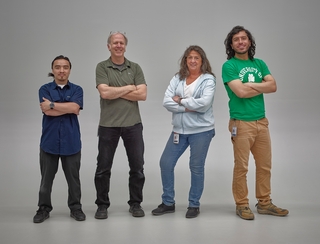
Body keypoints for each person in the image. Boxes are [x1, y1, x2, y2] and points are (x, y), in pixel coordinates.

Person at [221, 26, 289, 220]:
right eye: (236, 39)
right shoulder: (229, 66)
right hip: (241, 124)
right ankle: (242, 204)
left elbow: (273, 86)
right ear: (231, 44)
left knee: (265, 165)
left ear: (249, 42)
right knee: (241, 166)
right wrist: (262, 86)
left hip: (262, 122)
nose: (241, 42)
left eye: (244, 38)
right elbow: (240, 93)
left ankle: (264, 203)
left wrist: (249, 85)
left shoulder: (260, 63)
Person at [152, 45, 216, 218]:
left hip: (202, 131)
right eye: (189, 57)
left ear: (202, 60)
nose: (193, 60)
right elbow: (166, 102)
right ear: (185, 60)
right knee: (165, 163)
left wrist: (179, 100)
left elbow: (204, 104)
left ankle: (194, 205)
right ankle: (168, 202)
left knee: (196, 167)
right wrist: (188, 106)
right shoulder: (177, 78)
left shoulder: (208, 79)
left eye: (196, 57)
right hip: (179, 130)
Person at [94, 31, 147, 219]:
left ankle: (135, 204)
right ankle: (102, 205)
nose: (118, 45)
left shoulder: (135, 67)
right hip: (108, 125)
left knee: (137, 167)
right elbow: (104, 94)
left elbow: (142, 95)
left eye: (121, 43)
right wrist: (129, 87)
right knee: (103, 168)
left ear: (125, 46)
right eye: (114, 43)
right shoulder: (102, 67)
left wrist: (114, 90)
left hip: (133, 125)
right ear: (108, 46)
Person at [33, 55, 86, 223]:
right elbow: (46, 111)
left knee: (74, 180)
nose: (61, 70)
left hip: (71, 142)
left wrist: (53, 104)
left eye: (65, 67)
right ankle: (43, 208)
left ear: (69, 70)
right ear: (53, 70)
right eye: (57, 67)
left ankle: (76, 208)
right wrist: (66, 108)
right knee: (46, 180)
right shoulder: (44, 89)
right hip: (49, 142)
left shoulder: (77, 89)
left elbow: (75, 108)